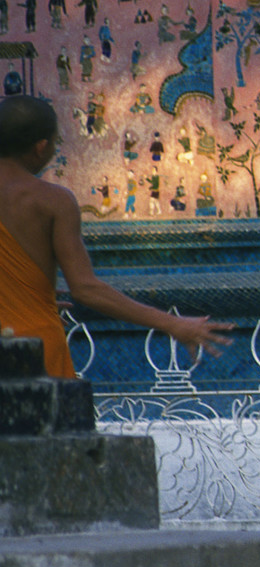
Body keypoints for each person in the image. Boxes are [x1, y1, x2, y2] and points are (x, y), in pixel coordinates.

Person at [0, 96, 232, 378]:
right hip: (34, 347)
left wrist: (25, 297)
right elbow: (86, 289)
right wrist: (173, 324)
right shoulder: (52, 201)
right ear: (41, 147)